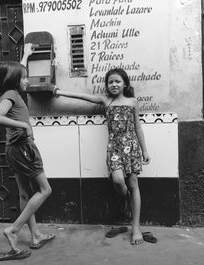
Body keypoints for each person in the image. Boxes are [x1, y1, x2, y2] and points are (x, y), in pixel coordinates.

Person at [53, 68, 150, 245]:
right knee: (119, 180)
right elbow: (82, 97)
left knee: (134, 183)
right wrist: (59, 92)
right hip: (114, 148)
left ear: (125, 84)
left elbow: (138, 127)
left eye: (117, 81)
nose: (114, 84)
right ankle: (127, 199)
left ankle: (136, 228)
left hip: (132, 147)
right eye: (110, 82)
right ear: (107, 85)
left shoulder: (132, 101)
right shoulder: (106, 100)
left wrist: (144, 150)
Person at [0, 43, 55, 261]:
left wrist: (26, 54)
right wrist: (25, 126)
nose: (27, 80)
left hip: (13, 149)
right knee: (45, 190)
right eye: (24, 77)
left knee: (25, 193)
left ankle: (36, 235)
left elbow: (17, 71)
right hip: (24, 148)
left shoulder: (11, 91)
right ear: (14, 79)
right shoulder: (11, 94)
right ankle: (14, 229)